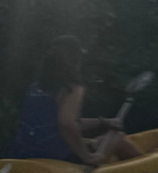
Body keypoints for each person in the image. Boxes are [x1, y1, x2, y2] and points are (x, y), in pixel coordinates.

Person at [7, 35, 140, 164]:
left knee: (96, 140)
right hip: (56, 159)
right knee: (117, 137)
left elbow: (69, 122)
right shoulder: (72, 87)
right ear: (76, 59)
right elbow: (66, 124)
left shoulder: (36, 87)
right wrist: (87, 157)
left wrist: (104, 122)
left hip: (24, 154)